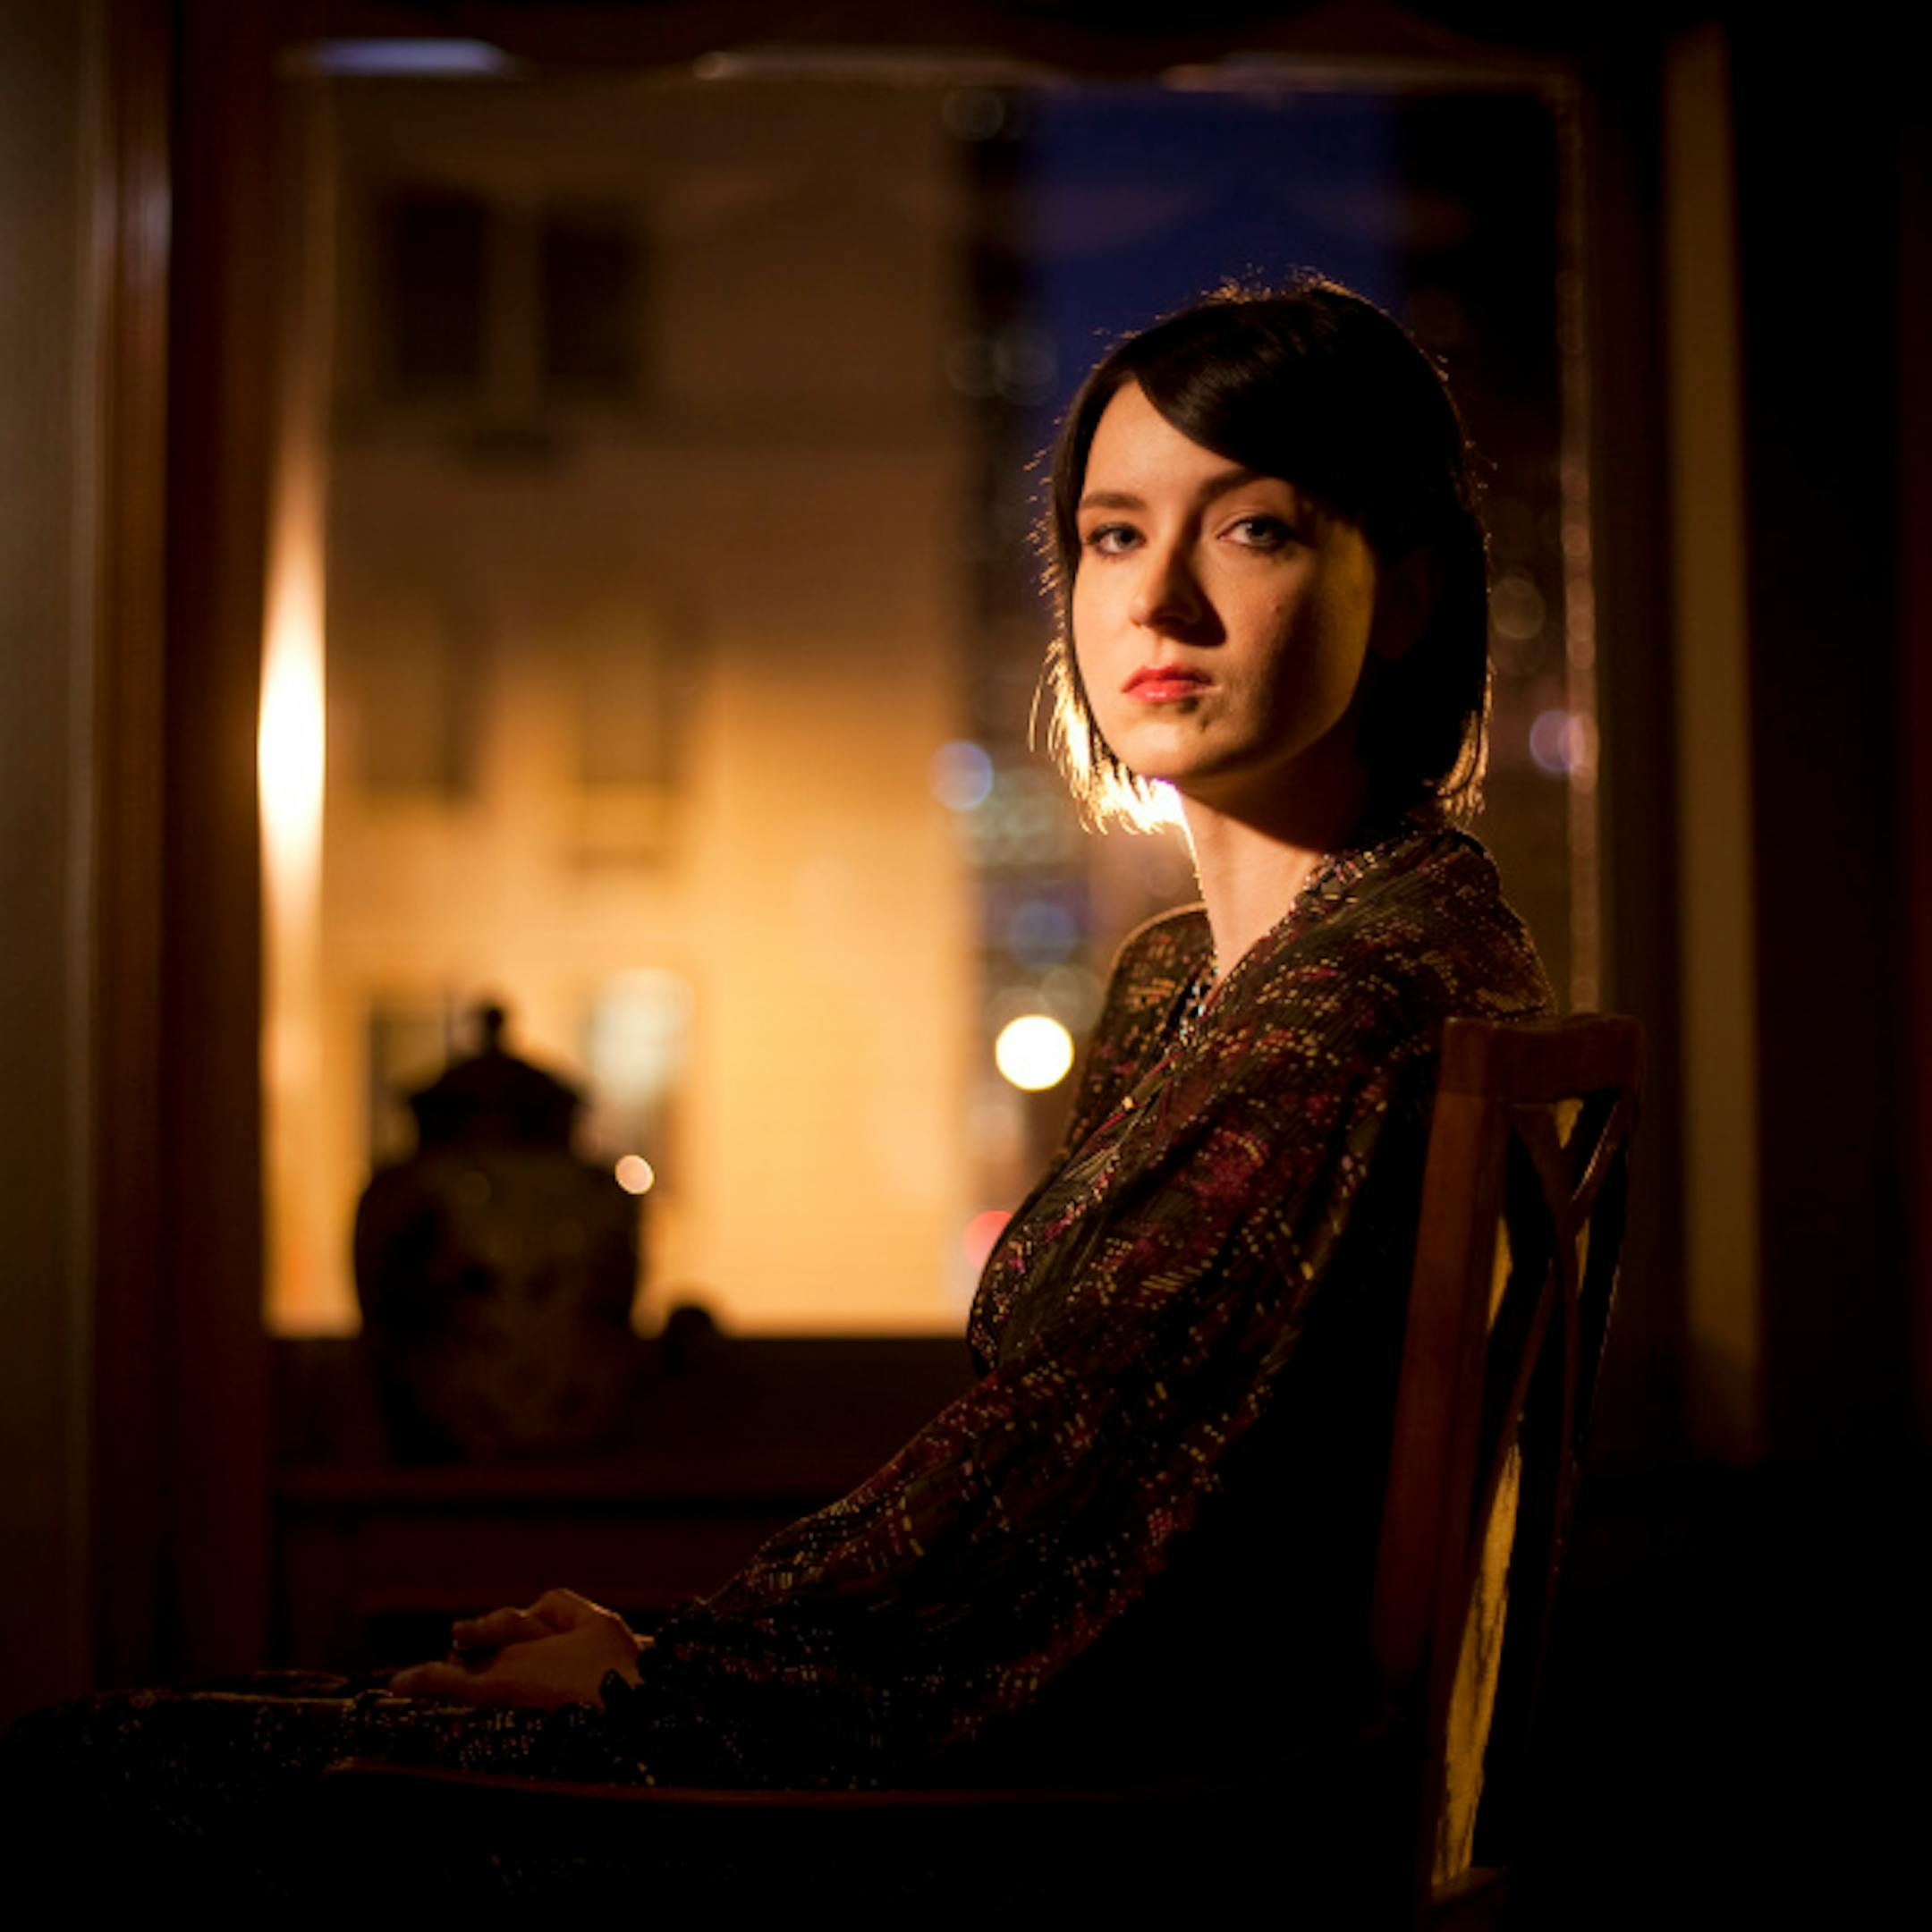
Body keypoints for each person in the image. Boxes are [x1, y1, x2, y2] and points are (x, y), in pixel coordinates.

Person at [5, 276, 1551, 1864]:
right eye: (1111, 534)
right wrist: (677, 1646)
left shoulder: (1361, 998)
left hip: (1084, 1808)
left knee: (95, 1767)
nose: (1157, 604)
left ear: (1409, 593)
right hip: (987, 1738)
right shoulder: (1196, 979)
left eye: (1254, 530)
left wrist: (672, 1681)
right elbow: (1038, 1483)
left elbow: (1077, 1521)